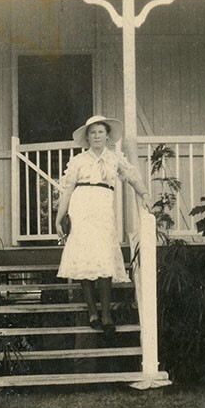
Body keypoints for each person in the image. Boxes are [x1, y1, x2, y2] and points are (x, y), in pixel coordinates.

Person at [55, 115, 152, 339]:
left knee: (104, 258)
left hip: (103, 209)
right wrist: (59, 218)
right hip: (81, 208)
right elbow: (68, 190)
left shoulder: (115, 159)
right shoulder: (78, 161)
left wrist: (145, 194)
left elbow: (133, 177)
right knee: (85, 258)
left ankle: (106, 315)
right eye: (93, 132)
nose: (97, 136)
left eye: (101, 132)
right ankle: (92, 313)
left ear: (107, 136)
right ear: (87, 137)